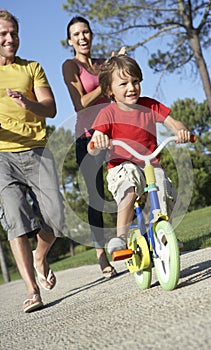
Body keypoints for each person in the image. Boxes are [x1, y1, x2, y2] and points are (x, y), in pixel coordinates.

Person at [87, 55, 190, 254]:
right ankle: (121, 237)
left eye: (135, 82)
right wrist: (98, 143)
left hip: (150, 165)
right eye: (123, 83)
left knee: (164, 188)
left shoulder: (149, 105)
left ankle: (162, 232)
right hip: (121, 167)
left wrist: (180, 131)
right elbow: (92, 146)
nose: (131, 87)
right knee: (130, 183)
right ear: (110, 90)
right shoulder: (107, 113)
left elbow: (173, 122)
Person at [0, 10, 64, 312]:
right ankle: (32, 290)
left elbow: (50, 108)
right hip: (2, 157)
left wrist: (28, 103)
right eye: (3, 34)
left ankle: (40, 256)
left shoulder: (32, 68)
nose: (10, 38)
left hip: (36, 150)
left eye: (13, 32)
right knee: (15, 218)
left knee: (56, 217)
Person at [62, 16, 125, 278]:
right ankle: (102, 256)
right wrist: (104, 76)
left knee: (129, 182)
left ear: (91, 34)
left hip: (111, 132)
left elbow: (115, 93)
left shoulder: (101, 64)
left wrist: (117, 70)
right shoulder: (70, 65)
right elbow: (81, 104)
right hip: (87, 138)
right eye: (76, 34)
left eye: (85, 32)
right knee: (96, 197)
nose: (82, 37)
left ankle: (136, 238)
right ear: (70, 41)